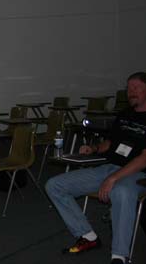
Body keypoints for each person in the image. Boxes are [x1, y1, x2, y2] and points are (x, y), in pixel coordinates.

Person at [45, 72, 146, 264]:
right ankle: (88, 236)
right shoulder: (125, 114)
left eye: (136, 88)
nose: (130, 92)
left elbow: (144, 159)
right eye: (128, 88)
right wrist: (94, 148)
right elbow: (110, 142)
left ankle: (119, 255)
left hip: (137, 173)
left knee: (121, 192)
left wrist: (113, 178)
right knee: (54, 185)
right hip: (110, 167)